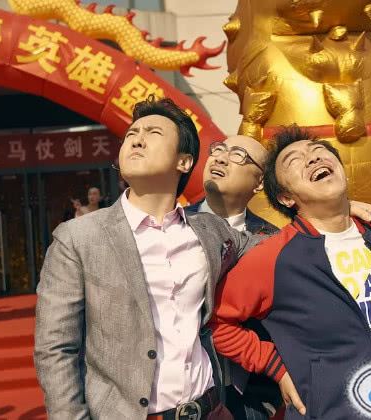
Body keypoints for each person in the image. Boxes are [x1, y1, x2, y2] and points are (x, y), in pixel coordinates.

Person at [35, 96, 266, 420]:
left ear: (184, 162)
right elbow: (55, 348)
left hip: (211, 409)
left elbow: (272, 248)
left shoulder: (210, 230)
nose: (137, 139)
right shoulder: (78, 237)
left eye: (153, 132)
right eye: (132, 134)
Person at [210, 126, 371, 420]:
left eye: (319, 150)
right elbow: (218, 322)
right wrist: (275, 368)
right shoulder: (272, 258)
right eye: (294, 160)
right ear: (286, 198)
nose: (312, 158)